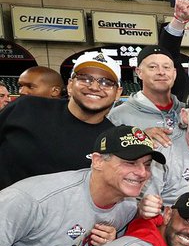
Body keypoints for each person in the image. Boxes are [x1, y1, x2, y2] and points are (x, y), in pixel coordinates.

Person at [0, 126, 161, 246]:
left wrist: (111, 244)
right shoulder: (31, 200)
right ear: (98, 161)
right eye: (130, 162)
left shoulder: (128, 206)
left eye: (147, 164)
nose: (142, 173)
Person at [0, 52, 124, 189]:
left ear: (118, 92)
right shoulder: (26, 108)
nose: (94, 87)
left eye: (106, 82)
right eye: (85, 78)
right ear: (70, 85)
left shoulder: (112, 140)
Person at [108, 46, 181, 132]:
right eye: (153, 67)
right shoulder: (118, 116)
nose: (161, 72)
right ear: (139, 72)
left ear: (174, 73)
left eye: (166, 67)